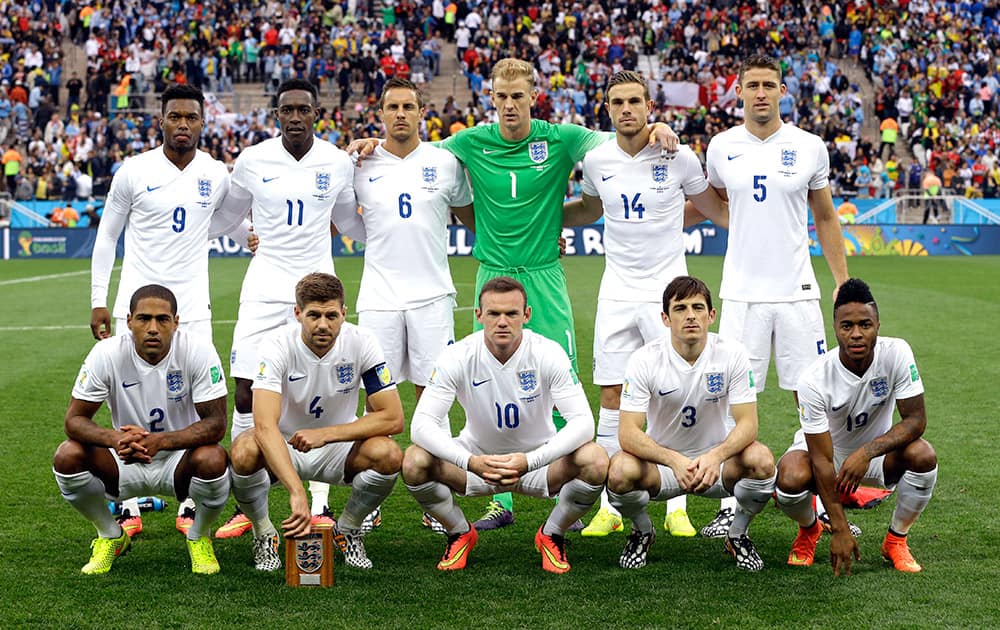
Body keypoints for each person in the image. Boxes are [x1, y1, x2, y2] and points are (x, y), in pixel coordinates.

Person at [353, 57, 678, 530]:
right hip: (493, 276)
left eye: (518, 96)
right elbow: (413, 152)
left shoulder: (560, 138)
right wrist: (373, 144)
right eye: (501, 97)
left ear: (533, 96)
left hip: (544, 276)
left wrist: (660, 124)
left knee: (562, 383)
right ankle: (499, 501)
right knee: (486, 388)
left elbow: (620, 136)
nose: (510, 105)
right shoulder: (468, 143)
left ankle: (577, 490)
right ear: (491, 99)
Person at [562, 70, 728, 538]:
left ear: (649, 107)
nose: (627, 109)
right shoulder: (596, 160)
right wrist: (535, 221)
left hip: (668, 293)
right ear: (607, 109)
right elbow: (590, 210)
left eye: (635, 100)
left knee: (675, 392)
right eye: (618, 102)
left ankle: (677, 503)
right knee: (612, 396)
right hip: (616, 290)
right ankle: (612, 508)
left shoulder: (678, 156)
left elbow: (714, 208)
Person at [703, 54, 849, 538]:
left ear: (782, 91)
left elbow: (826, 218)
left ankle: (817, 495)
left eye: (769, 85)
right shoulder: (722, 147)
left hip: (796, 291)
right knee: (729, 399)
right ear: (738, 90)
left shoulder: (809, 147)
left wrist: (841, 282)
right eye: (753, 85)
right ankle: (731, 500)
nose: (761, 93)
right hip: (742, 293)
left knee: (811, 394)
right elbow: (714, 203)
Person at [89, 84, 242, 537]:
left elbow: (228, 218)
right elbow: (106, 237)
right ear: (161, 120)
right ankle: (129, 504)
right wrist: (99, 297)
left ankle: (190, 498)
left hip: (193, 307)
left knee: (199, 404)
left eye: (190, 117)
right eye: (174, 117)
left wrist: (249, 232)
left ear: (202, 122)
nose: (182, 124)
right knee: (128, 398)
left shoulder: (216, 174)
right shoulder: (134, 171)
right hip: (135, 307)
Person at [217, 78, 362, 539]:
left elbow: (350, 222)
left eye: (303, 109)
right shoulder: (254, 160)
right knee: (245, 392)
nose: (295, 116)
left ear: (317, 113)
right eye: (287, 110)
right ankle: (250, 501)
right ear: (275, 115)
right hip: (263, 288)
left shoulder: (338, 162)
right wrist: (245, 238)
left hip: (317, 292)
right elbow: (227, 215)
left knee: (322, 393)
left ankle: (318, 500)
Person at [403, 277, 608, 573]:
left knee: (596, 460)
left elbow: (584, 423)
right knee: (414, 461)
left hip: (538, 463)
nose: (502, 322)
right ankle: (459, 531)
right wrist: (471, 462)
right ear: (478, 315)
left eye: (511, 314)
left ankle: (552, 534)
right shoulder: (457, 356)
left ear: (526, 315)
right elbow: (421, 425)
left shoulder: (548, 352)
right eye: (493, 314)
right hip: (478, 462)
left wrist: (530, 460)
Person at [348, 77, 474, 535]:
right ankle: (373, 493)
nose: (400, 113)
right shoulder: (361, 163)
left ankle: (431, 496)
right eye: (391, 106)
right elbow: (344, 217)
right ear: (379, 113)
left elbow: (471, 215)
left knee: (432, 401)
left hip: (432, 298)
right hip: (379, 298)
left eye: (408, 106)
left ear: (423, 112)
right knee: (375, 401)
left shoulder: (445, 162)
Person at [229, 273, 403, 571]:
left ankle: (348, 528)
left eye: (332, 315)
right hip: (283, 444)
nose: (323, 324)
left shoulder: (363, 341)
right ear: (297, 314)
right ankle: (263, 532)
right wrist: (297, 492)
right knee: (243, 450)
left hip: (339, 447)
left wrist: (325, 434)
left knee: (389, 454)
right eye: (314, 315)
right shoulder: (276, 344)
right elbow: (264, 426)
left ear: (344, 314)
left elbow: (393, 417)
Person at [53, 285, 230, 575]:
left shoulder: (197, 350)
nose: (152, 328)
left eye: (162, 319)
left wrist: (162, 441)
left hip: (178, 460)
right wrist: (116, 438)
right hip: (124, 457)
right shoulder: (106, 353)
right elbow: (74, 421)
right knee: (67, 455)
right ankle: (110, 535)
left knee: (213, 459)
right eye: (144, 319)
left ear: (176, 322)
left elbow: (216, 424)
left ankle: (199, 535)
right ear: (129, 321)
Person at [607, 276, 776, 571]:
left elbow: (748, 424)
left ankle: (738, 534)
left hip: (716, 466)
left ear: (711, 315)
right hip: (664, 468)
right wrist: (672, 460)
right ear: (665, 318)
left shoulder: (732, 354)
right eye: (680, 308)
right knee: (620, 471)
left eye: (698, 308)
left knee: (761, 460)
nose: (690, 316)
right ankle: (643, 531)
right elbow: (627, 432)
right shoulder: (644, 359)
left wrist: (714, 457)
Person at [774, 278, 937, 575]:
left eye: (865, 324)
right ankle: (810, 529)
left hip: (874, 457)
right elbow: (822, 459)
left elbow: (916, 420)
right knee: (789, 475)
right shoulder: (813, 378)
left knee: (923, 455)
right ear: (835, 328)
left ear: (878, 324)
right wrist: (840, 528)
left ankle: (896, 540)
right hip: (825, 455)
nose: (857, 334)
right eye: (847, 326)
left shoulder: (897, 353)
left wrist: (866, 452)